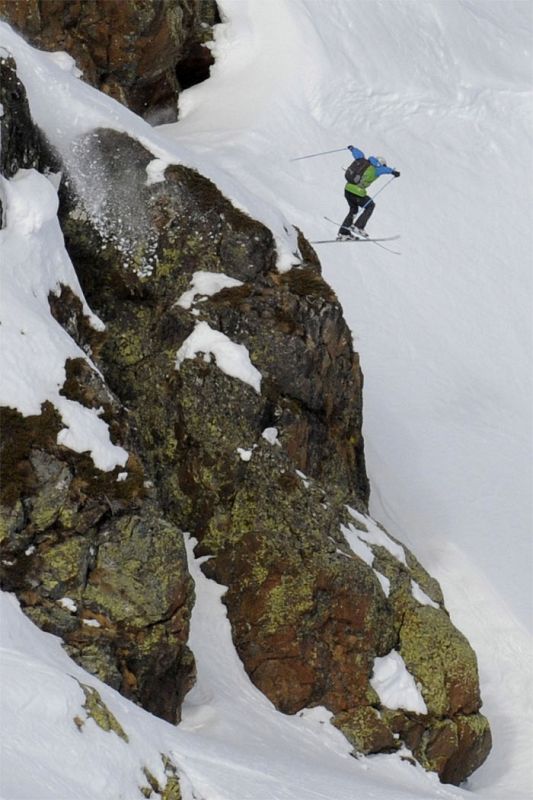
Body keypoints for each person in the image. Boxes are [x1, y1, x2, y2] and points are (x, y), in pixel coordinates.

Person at [337, 145, 400, 240]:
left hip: (347, 189)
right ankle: (358, 226)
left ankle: (343, 233)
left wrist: (352, 149)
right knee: (370, 205)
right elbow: (384, 170)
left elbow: (358, 154)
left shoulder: (363, 161)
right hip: (357, 192)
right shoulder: (377, 169)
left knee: (353, 210)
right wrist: (393, 172)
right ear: (381, 164)